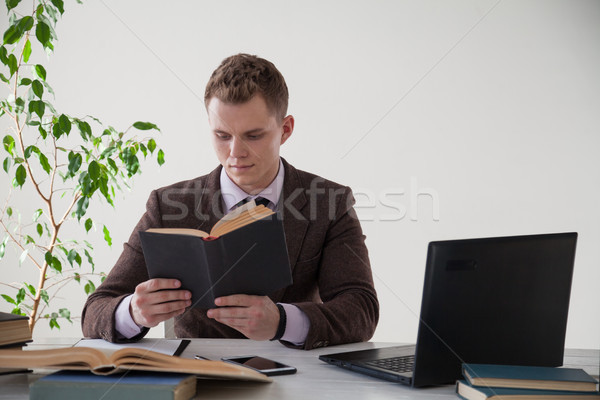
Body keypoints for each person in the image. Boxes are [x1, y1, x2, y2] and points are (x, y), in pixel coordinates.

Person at [81, 54, 379, 350]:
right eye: (222, 135)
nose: (236, 153)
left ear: (285, 130)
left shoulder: (330, 203)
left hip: (297, 379)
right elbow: (95, 311)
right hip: (196, 377)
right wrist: (133, 312)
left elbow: (361, 309)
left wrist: (283, 321)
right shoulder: (168, 205)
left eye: (253, 135)